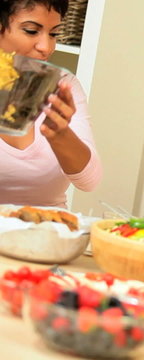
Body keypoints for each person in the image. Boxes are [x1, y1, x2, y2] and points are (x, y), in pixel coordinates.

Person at [0, 0, 102, 208]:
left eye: (53, 33)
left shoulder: (63, 85)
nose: (46, 47)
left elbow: (89, 182)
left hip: (48, 231)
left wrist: (61, 135)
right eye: (31, 31)